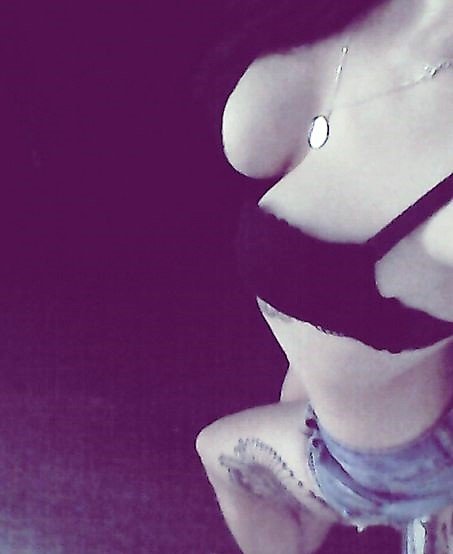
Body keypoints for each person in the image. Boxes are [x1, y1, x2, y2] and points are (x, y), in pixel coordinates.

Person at [195, 0, 453, 552]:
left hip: (391, 462)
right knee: (289, 423)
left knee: (215, 449)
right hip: (336, 385)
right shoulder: (356, 17)